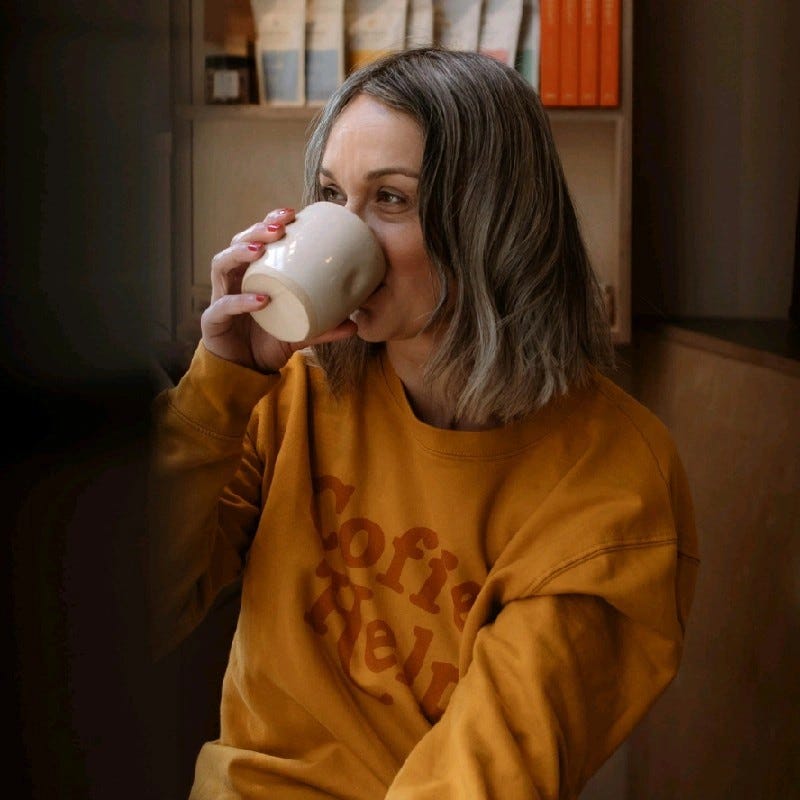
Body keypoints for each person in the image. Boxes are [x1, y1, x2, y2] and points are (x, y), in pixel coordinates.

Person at [148, 47, 699, 799]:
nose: (344, 231)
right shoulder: (295, 385)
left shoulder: (610, 479)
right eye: (330, 194)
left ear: (494, 223)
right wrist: (224, 379)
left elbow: (485, 776)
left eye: (391, 199)